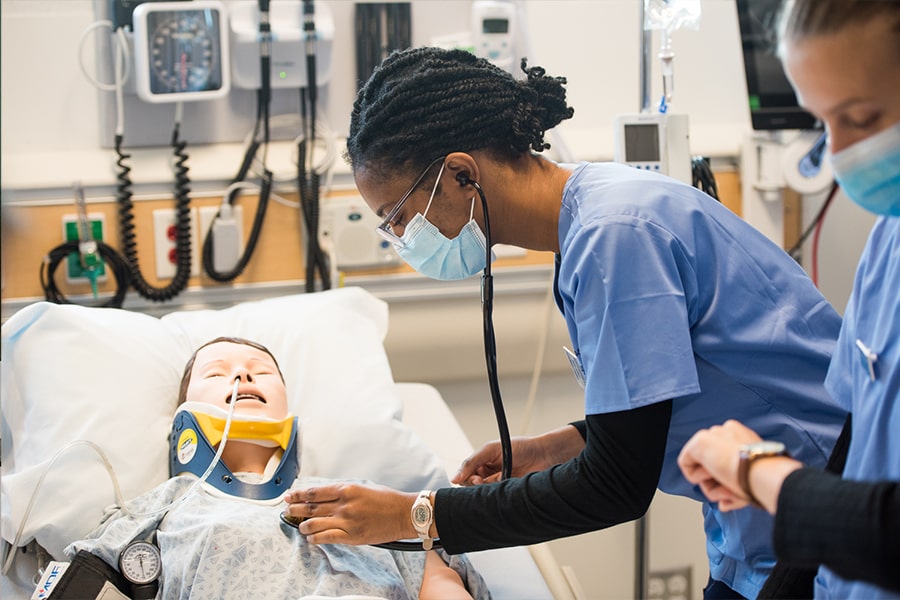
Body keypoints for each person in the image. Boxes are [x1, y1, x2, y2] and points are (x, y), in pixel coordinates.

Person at [281, 46, 849, 599]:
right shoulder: (592, 220)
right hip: (753, 531)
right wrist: (559, 445)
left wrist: (414, 514)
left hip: (821, 518)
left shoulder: (615, 237)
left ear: (459, 173)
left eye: (399, 217)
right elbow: (657, 402)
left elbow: (615, 487)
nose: (402, 240)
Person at [678, 0, 900, 597]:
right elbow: (858, 438)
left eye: (861, 117)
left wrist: (761, 472)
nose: (839, 154)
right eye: (823, 124)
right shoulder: (890, 239)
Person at [62, 337, 488, 600]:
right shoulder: (163, 508)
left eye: (261, 371)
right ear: (183, 416)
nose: (244, 376)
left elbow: (434, 576)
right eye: (217, 373)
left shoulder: (362, 497)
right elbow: (83, 581)